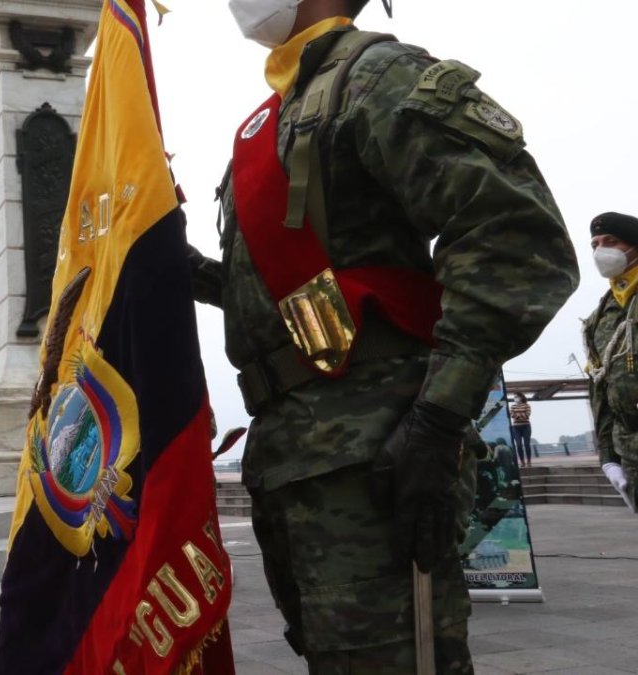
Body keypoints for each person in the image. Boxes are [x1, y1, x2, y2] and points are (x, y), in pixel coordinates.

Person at [189, 0, 579, 670]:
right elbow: (303, 298)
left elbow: (516, 241)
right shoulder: (273, 116)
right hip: (293, 461)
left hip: (376, 455)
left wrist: (437, 417)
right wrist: (185, 267)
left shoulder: (377, 76)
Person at [584, 211, 638, 513]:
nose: (601, 250)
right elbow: (600, 388)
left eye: (611, 241)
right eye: (595, 244)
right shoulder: (601, 316)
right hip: (630, 453)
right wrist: (608, 458)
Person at [509, 392, 534, 468]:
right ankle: (522, 462)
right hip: (516, 428)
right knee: (519, 445)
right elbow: (512, 415)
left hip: (526, 427)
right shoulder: (512, 406)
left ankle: (529, 461)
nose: (515, 398)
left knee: (527, 444)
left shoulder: (527, 405)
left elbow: (527, 415)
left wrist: (517, 416)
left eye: (517, 397)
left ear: (521, 397)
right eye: (514, 397)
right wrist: (521, 415)